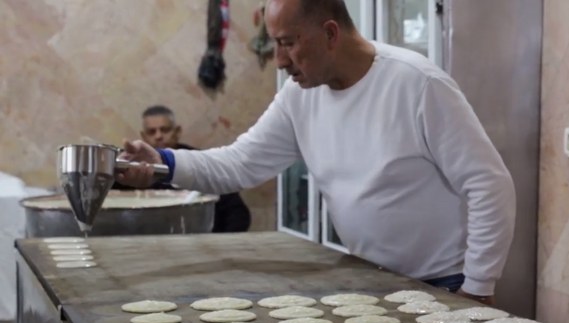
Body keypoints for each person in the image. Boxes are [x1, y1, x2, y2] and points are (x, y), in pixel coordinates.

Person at [117, 0, 515, 304]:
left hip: (442, 284)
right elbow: (239, 164)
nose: (280, 61)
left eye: (288, 43)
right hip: (371, 280)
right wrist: (163, 163)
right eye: (275, 44)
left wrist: (477, 288)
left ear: (330, 33)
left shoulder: (417, 84)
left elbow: (489, 185)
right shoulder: (300, 96)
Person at [114, 105, 252, 233]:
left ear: (177, 132)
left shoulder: (199, 163)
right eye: (151, 132)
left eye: (165, 130)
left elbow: (238, 213)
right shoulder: (134, 167)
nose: (158, 136)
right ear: (143, 136)